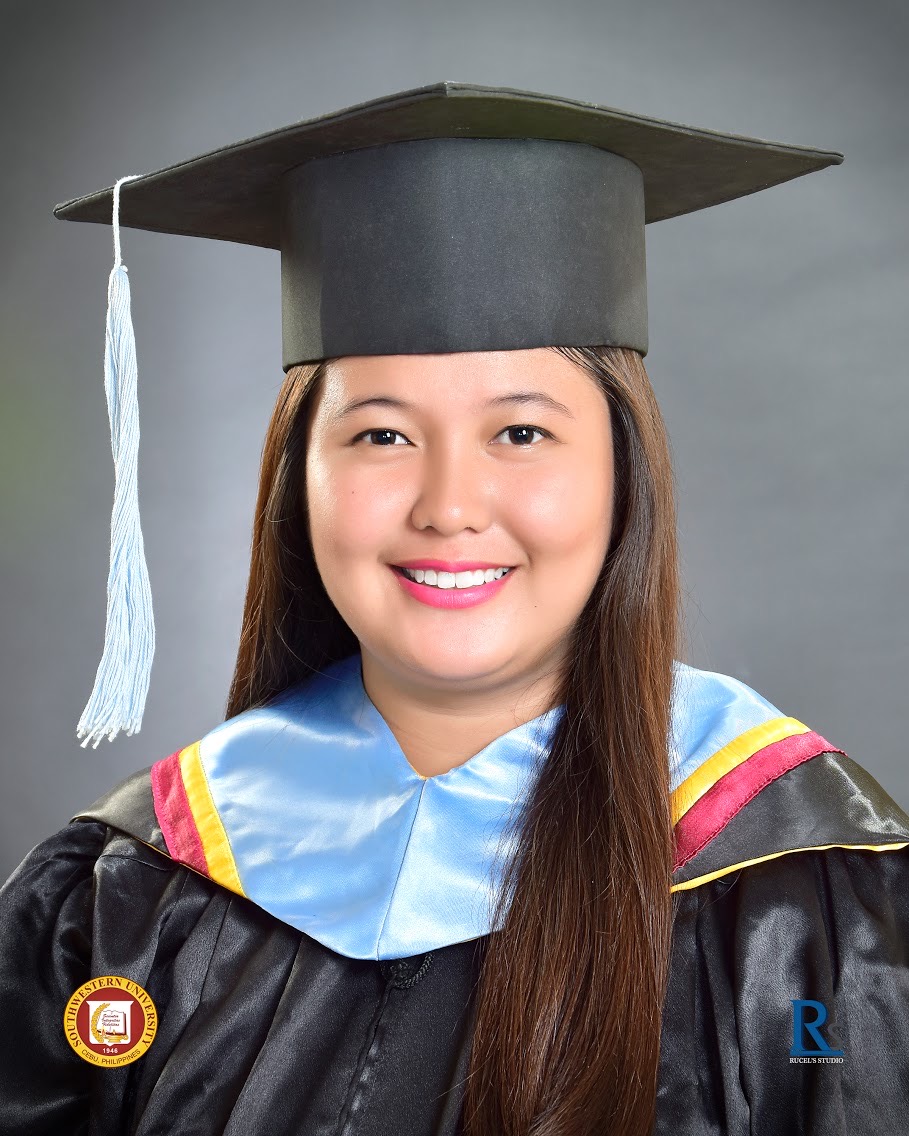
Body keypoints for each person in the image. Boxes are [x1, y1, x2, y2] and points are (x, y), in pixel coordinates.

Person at [1, 82, 907, 1136]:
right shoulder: (123, 900)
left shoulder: (802, 896)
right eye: (380, 435)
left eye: (521, 433)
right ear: (299, 476)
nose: (448, 506)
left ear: (625, 471)